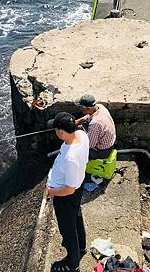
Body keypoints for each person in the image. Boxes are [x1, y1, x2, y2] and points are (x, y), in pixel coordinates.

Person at [47, 112, 89, 272]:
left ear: (61, 132)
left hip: (67, 195)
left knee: (68, 228)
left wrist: (52, 192)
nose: (55, 132)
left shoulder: (71, 158)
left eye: (56, 130)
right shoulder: (81, 134)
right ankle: (82, 247)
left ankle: (73, 263)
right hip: (77, 187)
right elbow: (76, 127)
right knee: (76, 217)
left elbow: (69, 189)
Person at [74, 94, 116, 160]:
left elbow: (90, 145)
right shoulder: (99, 107)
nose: (80, 109)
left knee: (76, 152)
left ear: (87, 109)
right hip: (109, 141)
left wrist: (75, 141)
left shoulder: (95, 123)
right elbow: (89, 116)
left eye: (81, 107)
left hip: (102, 151)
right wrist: (78, 121)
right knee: (80, 127)